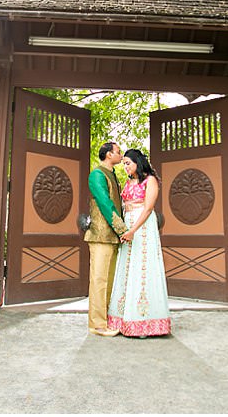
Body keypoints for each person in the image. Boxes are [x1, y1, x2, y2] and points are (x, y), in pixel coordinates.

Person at [107, 148, 171, 337]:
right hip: (128, 224)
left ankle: (144, 322)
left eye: (128, 163)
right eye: (124, 163)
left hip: (142, 227)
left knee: (142, 267)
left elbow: (149, 207)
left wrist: (133, 230)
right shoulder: (129, 182)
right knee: (127, 267)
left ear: (138, 162)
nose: (125, 167)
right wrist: (123, 228)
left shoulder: (150, 180)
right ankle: (123, 319)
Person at [85, 141, 129, 337]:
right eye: (118, 152)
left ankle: (107, 320)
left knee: (109, 280)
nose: (121, 155)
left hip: (112, 237)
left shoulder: (112, 175)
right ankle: (97, 325)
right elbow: (104, 202)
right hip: (100, 234)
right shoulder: (97, 174)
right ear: (109, 154)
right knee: (99, 280)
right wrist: (122, 228)